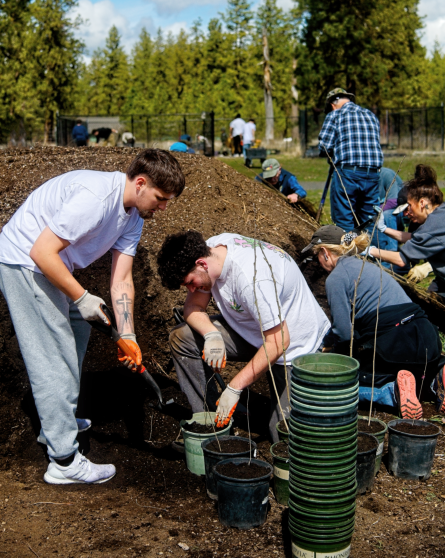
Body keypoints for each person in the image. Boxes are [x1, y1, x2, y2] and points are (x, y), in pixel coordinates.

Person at [0, 150, 185, 485]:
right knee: (53, 354)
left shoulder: (135, 216)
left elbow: (122, 279)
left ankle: (58, 420)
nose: (164, 207)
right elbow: (40, 251)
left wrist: (128, 335)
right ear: (140, 183)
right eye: (161, 198)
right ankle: (64, 461)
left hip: (49, 265)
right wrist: (81, 296)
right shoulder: (96, 198)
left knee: (79, 328)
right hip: (23, 262)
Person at [156, 231, 330, 443]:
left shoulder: (252, 279)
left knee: (284, 439)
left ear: (201, 263)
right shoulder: (211, 251)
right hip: (255, 330)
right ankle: (210, 423)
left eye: (191, 282)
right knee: (182, 337)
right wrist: (211, 334)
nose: (192, 289)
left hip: (294, 345)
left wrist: (234, 387)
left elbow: (279, 342)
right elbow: (193, 306)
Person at [303, 225, 444, 418]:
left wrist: (335, 363)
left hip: (398, 342)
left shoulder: (335, 278)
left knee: (341, 383)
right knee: (414, 374)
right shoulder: (366, 266)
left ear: (325, 253)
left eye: (317, 255)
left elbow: (344, 334)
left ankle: (391, 392)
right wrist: (324, 343)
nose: (318, 262)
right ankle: (435, 379)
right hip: (426, 334)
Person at [369, 165, 445, 294]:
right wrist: (385, 229)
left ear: (422, 203)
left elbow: (401, 259)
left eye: (409, 206)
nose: (407, 213)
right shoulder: (440, 212)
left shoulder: (434, 223)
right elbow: (414, 238)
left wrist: (369, 250)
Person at [319, 88, 383, 231]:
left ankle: (347, 250)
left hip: (348, 173)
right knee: (369, 219)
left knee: (344, 218)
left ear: (331, 104)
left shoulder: (335, 115)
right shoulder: (370, 115)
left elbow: (324, 146)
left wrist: (331, 153)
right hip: (372, 174)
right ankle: (370, 251)